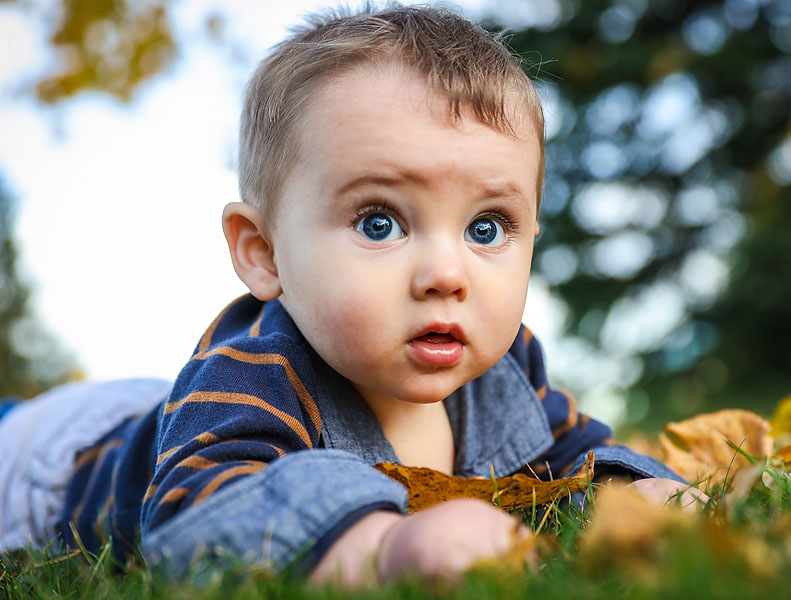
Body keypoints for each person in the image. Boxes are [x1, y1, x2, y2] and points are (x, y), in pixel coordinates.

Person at [0, 4, 704, 586]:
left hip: (154, 406)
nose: (445, 274)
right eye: (380, 222)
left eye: (487, 227)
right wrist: (378, 548)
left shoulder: (508, 367)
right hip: (51, 457)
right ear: (265, 253)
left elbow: (575, 455)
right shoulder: (256, 377)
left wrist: (642, 493)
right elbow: (196, 519)